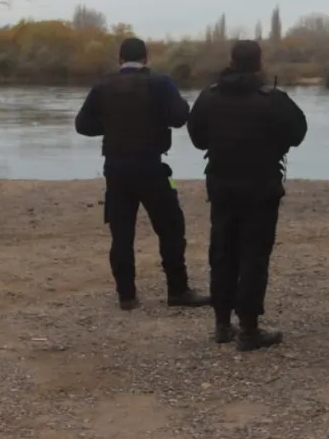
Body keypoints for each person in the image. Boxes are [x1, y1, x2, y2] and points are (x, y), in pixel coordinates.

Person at [186, 40, 307, 351]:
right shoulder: (272, 99)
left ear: (230, 61)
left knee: (222, 253)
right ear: (259, 63)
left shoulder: (209, 97)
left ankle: (222, 324)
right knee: (254, 256)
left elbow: (197, 139)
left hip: (222, 187)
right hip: (261, 188)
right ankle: (249, 329)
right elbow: (298, 133)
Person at [75, 37, 210, 311]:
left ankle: (126, 295)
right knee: (171, 228)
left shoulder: (103, 85)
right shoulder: (160, 83)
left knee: (121, 234)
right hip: (152, 167)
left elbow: (83, 125)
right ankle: (177, 290)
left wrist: (112, 126)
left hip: (115, 170)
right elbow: (180, 116)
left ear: (120, 60)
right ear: (146, 59)